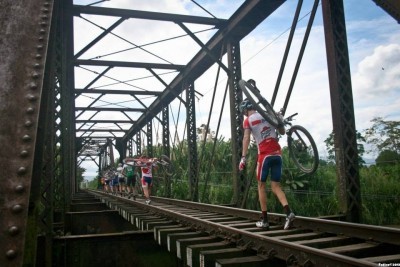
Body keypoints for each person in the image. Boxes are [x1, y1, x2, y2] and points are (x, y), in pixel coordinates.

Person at [239, 98, 295, 230]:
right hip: (277, 154)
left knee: (261, 186)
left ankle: (264, 220)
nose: (245, 114)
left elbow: (246, 138)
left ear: (246, 110)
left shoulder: (248, 120)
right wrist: (279, 121)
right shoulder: (268, 115)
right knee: (276, 186)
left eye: (244, 112)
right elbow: (282, 132)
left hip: (264, 155)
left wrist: (243, 157)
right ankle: (289, 213)